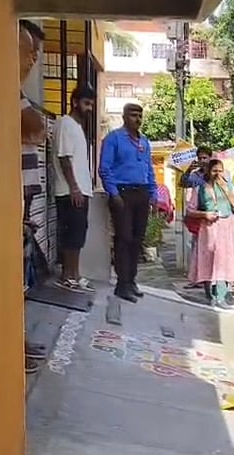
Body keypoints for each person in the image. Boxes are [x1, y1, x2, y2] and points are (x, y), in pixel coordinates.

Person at [99, 103, 159, 303]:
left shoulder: (145, 142)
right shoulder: (113, 139)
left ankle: (131, 281)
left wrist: (153, 194)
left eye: (140, 115)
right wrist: (114, 194)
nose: (137, 119)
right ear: (124, 117)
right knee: (123, 239)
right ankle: (121, 284)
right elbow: (104, 169)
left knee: (137, 239)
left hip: (141, 193)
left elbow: (149, 170)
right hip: (122, 194)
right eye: (133, 115)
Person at [19, 19, 47, 373]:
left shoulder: (21, 95)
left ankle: (20, 340)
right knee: (16, 278)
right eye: (30, 51)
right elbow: (38, 128)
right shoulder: (11, 93)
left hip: (23, 199)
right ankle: (17, 344)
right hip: (14, 199)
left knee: (22, 277)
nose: (34, 60)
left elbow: (39, 130)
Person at [52, 86, 97, 292]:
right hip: (69, 191)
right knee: (71, 235)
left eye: (91, 105)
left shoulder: (78, 127)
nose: (89, 108)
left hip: (80, 190)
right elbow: (64, 157)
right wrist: (74, 188)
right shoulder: (65, 124)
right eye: (86, 103)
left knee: (78, 234)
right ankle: (68, 276)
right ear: (75, 102)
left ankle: (74, 275)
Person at [186, 159, 234, 308]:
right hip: (208, 229)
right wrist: (205, 215)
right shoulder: (200, 189)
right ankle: (210, 294)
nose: (217, 174)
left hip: (226, 227)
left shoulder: (228, 186)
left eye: (220, 171)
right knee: (208, 260)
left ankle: (221, 296)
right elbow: (190, 211)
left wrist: (225, 187)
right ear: (208, 172)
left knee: (224, 261)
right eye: (214, 171)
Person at [181, 146, 213, 289]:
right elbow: (183, 183)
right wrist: (188, 169)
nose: (202, 160)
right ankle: (197, 279)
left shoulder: (216, 173)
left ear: (210, 158)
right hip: (199, 216)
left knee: (213, 248)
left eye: (205, 157)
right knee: (197, 248)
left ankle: (212, 278)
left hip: (214, 215)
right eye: (200, 158)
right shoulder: (195, 175)